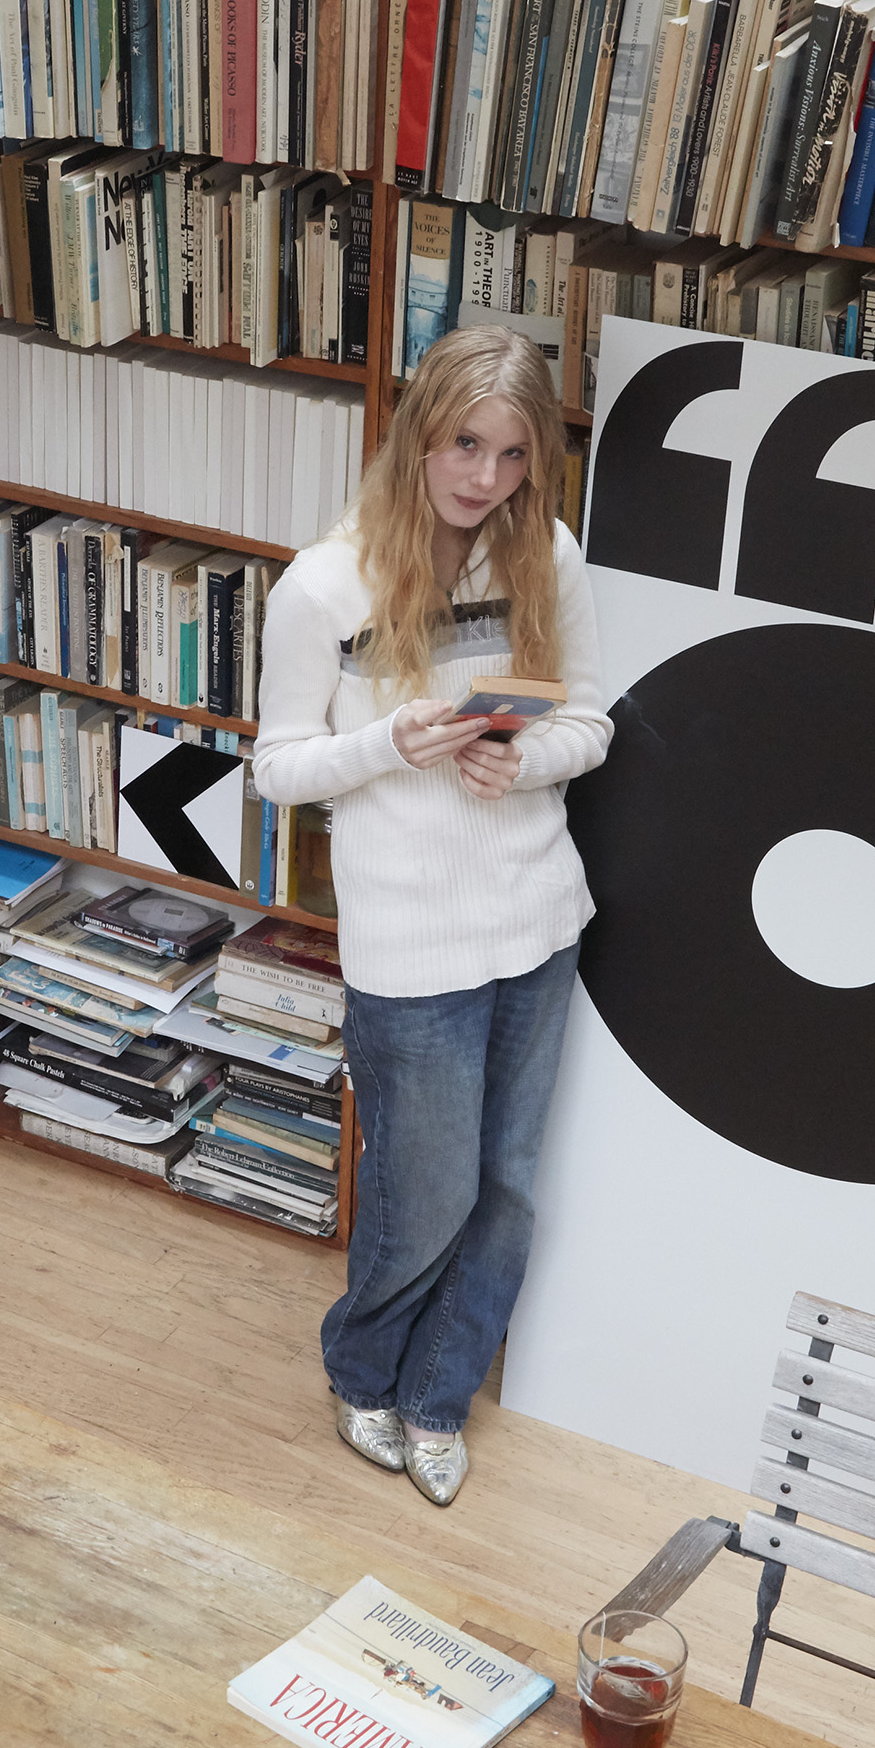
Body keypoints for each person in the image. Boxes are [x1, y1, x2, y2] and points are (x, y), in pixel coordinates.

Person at [250, 328, 611, 1507]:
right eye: (465, 445)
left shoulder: (542, 554)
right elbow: (276, 768)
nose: (484, 479)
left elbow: (592, 719)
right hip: (410, 942)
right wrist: (384, 745)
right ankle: (362, 1366)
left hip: (539, 917)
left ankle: (438, 1393)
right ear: (418, 433)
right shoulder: (323, 584)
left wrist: (533, 761)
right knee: (426, 1190)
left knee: (506, 1184)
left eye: (512, 456)